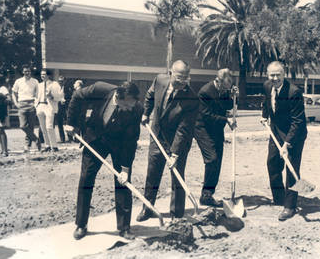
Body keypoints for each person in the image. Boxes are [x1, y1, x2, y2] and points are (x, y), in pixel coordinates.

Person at [65, 81, 143, 240]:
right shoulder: (101, 89)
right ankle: (81, 224)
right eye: (127, 106)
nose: (129, 109)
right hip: (95, 138)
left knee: (123, 182)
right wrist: (71, 123)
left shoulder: (136, 109)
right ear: (119, 97)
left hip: (120, 144)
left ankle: (124, 227)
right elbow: (77, 96)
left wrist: (125, 169)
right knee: (86, 178)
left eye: (131, 106)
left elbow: (131, 140)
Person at [136, 60, 199, 222]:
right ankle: (148, 208)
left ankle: (176, 214)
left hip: (178, 141)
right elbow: (150, 96)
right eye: (179, 77)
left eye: (186, 77)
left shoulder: (191, 98)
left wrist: (175, 153)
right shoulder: (160, 80)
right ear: (170, 73)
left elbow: (183, 129)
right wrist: (145, 113)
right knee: (152, 174)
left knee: (177, 177)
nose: (182, 81)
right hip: (157, 136)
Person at [260, 61, 307, 221]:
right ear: (268, 75)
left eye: (278, 75)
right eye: (271, 75)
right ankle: (279, 197)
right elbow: (268, 101)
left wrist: (287, 144)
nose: (275, 78)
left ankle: (289, 206)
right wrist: (264, 115)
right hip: (275, 130)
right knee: (272, 163)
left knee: (291, 168)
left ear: (283, 74)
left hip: (295, 134)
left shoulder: (294, 92)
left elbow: (297, 122)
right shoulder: (267, 86)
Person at [194, 68, 238, 207]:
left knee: (217, 161)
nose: (226, 89)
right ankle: (206, 194)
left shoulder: (224, 90)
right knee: (212, 159)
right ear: (218, 81)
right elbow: (207, 115)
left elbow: (228, 105)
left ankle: (207, 195)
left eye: (228, 87)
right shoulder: (205, 92)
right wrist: (227, 120)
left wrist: (233, 95)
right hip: (202, 129)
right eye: (225, 87)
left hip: (217, 129)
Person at [12, 65, 41, 153]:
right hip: (21, 104)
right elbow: (13, 93)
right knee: (23, 126)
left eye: (28, 71)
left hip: (31, 103)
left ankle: (27, 146)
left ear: (30, 72)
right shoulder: (18, 81)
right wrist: (16, 103)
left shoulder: (35, 81)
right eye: (25, 71)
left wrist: (35, 104)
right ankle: (36, 139)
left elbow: (38, 94)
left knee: (31, 126)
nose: (27, 73)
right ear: (23, 72)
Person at [35, 70, 64, 152]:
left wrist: (52, 97)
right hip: (40, 106)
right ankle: (47, 146)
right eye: (41, 74)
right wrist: (36, 106)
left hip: (49, 106)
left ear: (48, 75)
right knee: (43, 128)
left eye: (44, 74)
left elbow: (60, 96)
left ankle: (54, 146)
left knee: (49, 127)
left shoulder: (54, 84)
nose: (42, 76)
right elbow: (36, 96)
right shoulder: (39, 85)